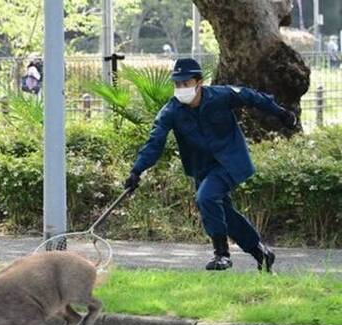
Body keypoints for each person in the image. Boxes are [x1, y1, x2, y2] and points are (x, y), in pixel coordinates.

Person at [124, 58, 298, 272]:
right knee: (224, 213)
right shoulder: (171, 111)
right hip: (202, 169)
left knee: (206, 197)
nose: (181, 89)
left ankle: (222, 254)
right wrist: (136, 170)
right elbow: (154, 142)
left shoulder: (221, 95)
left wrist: (282, 114)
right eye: (177, 84)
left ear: (199, 82)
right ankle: (261, 253)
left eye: (186, 83)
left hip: (230, 161)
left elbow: (253, 97)